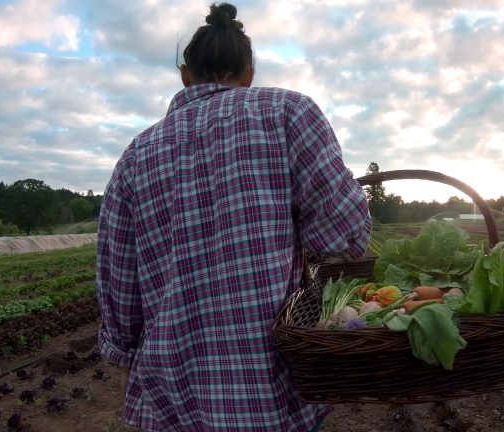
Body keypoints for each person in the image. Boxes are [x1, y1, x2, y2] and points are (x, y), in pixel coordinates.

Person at [95, 3, 372, 431]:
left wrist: (127, 359)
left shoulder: (135, 155)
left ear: (185, 75)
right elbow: (343, 237)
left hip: (173, 396)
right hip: (271, 391)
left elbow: (119, 283)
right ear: (248, 75)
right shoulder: (289, 113)